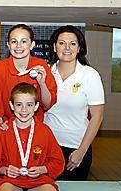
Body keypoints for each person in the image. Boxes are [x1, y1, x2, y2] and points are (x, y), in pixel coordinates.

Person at [44, 25, 105, 180]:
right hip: (46, 147)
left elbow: (97, 117)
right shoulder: (45, 72)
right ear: (54, 46)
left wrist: (82, 151)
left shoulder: (89, 75)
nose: (67, 48)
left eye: (73, 43)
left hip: (75, 148)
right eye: (62, 42)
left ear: (79, 48)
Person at [0, 82, 64, 191]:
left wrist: (42, 169)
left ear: (36, 106)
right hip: (11, 180)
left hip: (38, 180)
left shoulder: (44, 131)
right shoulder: (4, 131)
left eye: (29, 105)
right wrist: (6, 170)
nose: (24, 110)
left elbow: (58, 161)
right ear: (11, 105)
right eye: (19, 104)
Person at [0, 24, 57, 124]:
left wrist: (42, 84)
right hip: (7, 124)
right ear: (8, 45)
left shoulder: (41, 66)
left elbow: (48, 104)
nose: (18, 46)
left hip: (34, 125)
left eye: (23, 41)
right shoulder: (0, 67)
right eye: (14, 41)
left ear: (32, 45)